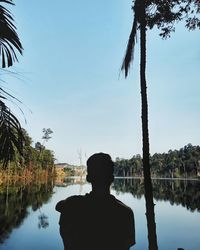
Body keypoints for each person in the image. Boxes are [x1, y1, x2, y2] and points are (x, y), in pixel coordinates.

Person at [56, 153, 135, 250]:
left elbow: (58, 206)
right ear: (112, 178)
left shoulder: (72, 204)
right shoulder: (125, 212)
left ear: (88, 178)